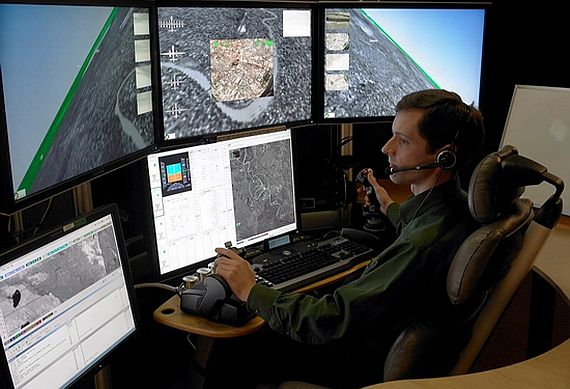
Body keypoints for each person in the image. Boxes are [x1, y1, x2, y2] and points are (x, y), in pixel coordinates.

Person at [212, 89, 485, 388]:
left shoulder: (421, 245)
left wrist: (250, 289)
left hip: (357, 361)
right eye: (392, 135)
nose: (386, 148)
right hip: (386, 341)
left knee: (241, 349)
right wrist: (389, 208)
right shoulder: (459, 210)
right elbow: (419, 227)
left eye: (403, 141)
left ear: (443, 156)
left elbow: (332, 318)